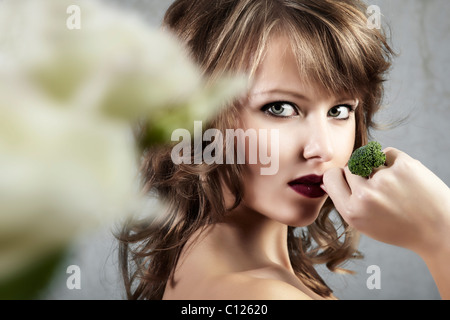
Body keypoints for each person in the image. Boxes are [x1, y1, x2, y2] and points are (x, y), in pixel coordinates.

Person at [118, 0, 450, 300]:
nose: (321, 149)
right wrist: (440, 234)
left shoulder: (208, 273)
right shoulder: (263, 295)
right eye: (280, 108)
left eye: (340, 110)